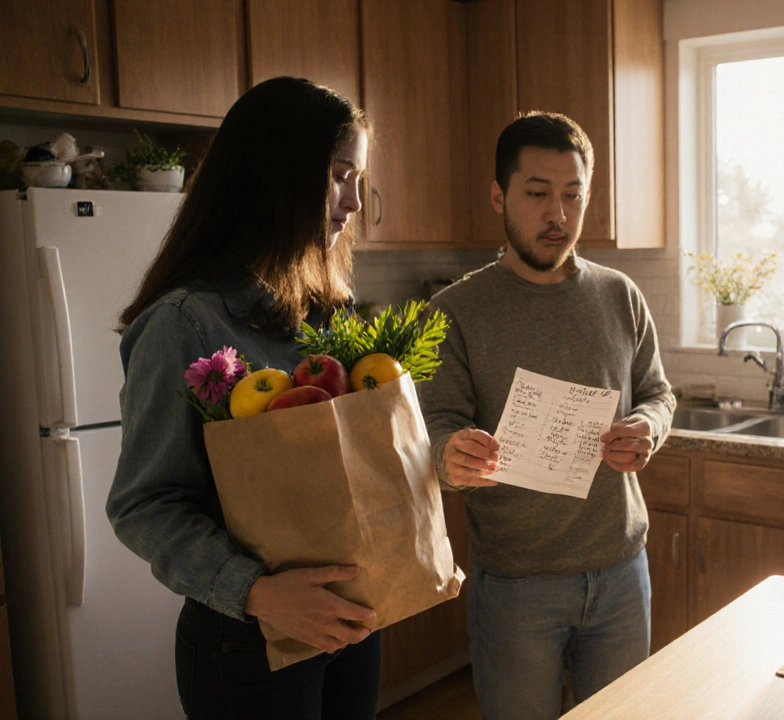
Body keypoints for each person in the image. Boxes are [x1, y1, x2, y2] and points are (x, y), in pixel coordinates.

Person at [107, 77, 379, 720]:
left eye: (358, 179)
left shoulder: (323, 314)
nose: (354, 202)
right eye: (339, 176)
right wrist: (258, 592)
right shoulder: (185, 323)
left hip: (350, 623)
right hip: (248, 643)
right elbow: (144, 506)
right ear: (276, 177)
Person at [420, 111, 676, 719]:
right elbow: (431, 433)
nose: (557, 214)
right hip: (515, 585)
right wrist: (452, 457)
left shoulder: (620, 295)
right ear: (499, 196)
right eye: (537, 194)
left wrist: (648, 428)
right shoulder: (453, 311)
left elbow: (658, 394)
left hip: (622, 571)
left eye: (572, 195)